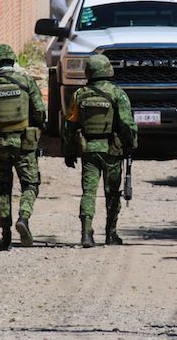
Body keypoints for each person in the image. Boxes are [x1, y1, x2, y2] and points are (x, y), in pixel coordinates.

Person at [0, 44, 46, 250]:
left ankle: (5, 236)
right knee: (30, 184)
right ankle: (24, 217)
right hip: (24, 143)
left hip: (0, 144)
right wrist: (38, 129)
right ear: (13, 61)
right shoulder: (27, 82)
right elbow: (39, 110)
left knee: (3, 188)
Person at [61, 54, 138, 248]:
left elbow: (69, 125)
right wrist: (132, 143)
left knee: (88, 192)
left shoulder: (80, 94)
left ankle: (86, 233)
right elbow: (127, 123)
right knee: (112, 193)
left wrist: (68, 151)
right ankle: (111, 234)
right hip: (112, 150)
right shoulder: (117, 93)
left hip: (89, 150)